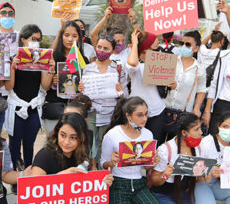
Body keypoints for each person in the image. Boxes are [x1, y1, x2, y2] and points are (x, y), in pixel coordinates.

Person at [100, 97, 169, 204]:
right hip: (118, 185)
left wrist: (152, 162)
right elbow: (103, 165)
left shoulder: (148, 135)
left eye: (146, 114)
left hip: (138, 184)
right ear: (128, 116)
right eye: (140, 115)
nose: (144, 118)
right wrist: (112, 161)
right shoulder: (113, 135)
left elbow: (146, 168)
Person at [150, 112, 202, 204]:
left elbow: (198, 179)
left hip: (183, 193)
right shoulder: (166, 150)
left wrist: (204, 174)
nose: (201, 132)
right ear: (184, 133)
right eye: (196, 129)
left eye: (200, 128)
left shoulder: (198, 148)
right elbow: (155, 181)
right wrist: (165, 174)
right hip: (164, 194)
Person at [4, 25, 52, 172]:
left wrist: (49, 68)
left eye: (38, 40)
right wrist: (13, 66)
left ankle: (29, 174)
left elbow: (45, 86)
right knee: (14, 144)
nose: (35, 43)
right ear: (23, 39)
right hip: (17, 106)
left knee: (30, 144)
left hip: (33, 107)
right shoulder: (13, 59)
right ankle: (15, 176)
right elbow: (8, 87)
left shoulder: (42, 60)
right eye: (33, 39)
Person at [82, 33, 125, 164]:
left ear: (112, 51)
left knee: (105, 145)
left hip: (109, 114)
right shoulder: (87, 68)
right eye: (99, 47)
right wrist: (80, 90)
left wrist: (120, 91)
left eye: (106, 48)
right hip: (91, 113)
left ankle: (104, 174)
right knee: (89, 144)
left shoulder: (118, 70)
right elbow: (83, 94)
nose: (101, 51)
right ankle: (92, 172)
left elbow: (124, 95)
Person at [126, 30, 171, 145]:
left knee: (154, 145)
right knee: (136, 144)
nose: (158, 41)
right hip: (137, 112)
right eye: (154, 40)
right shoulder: (136, 65)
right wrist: (135, 44)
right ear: (146, 46)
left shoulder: (159, 61)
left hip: (157, 111)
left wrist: (172, 84)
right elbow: (132, 63)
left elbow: (166, 83)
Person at [43, 20, 86, 134]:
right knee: (52, 144)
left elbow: (87, 87)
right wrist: (53, 81)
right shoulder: (53, 58)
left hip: (75, 109)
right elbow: (45, 87)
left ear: (79, 38)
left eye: (74, 36)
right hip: (54, 108)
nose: (70, 39)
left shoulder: (83, 60)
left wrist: (83, 88)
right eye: (66, 35)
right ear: (61, 36)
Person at [167, 31, 206, 115]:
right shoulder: (170, 61)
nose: (184, 46)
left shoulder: (199, 69)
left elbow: (201, 90)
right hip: (162, 108)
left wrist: (196, 108)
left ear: (196, 48)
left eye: (188, 44)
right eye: (181, 43)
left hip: (183, 112)